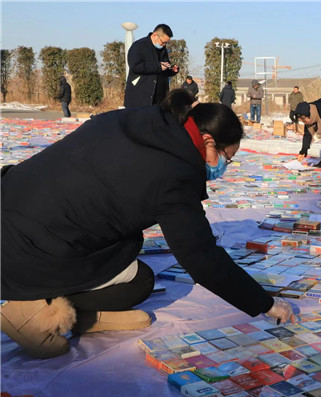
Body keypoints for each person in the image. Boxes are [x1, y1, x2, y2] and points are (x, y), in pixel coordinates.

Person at [1, 89, 296, 359]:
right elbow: (201, 259)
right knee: (140, 279)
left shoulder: (143, 120)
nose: (222, 168)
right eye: (226, 159)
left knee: (130, 241)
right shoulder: (174, 173)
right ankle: (30, 310)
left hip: (9, 204)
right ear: (208, 141)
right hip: (26, 252)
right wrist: (265, 304)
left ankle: (88, 316)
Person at [124, 24, 179, 108]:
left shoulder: (163, 50)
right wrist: (158, 66)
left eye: (166, 43)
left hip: (159, 99)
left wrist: (171, 70)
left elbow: (162, 68)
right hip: (140, 98)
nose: (164, 45)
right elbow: (135, 66)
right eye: (163, 42)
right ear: (155, 35)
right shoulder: (138, 46)